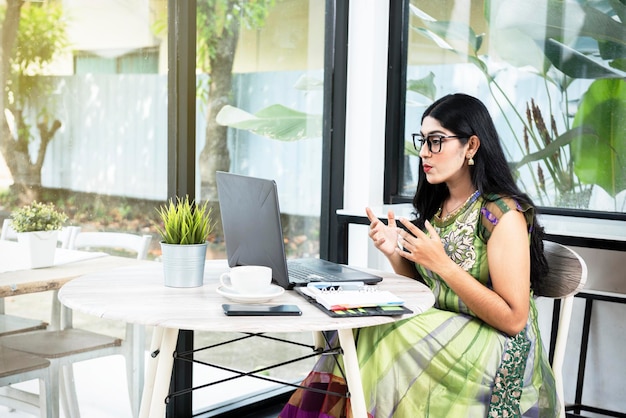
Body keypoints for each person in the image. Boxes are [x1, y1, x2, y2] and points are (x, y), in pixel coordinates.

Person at [279, 93, 558, 417]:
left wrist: (444, 264)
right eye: (423, 140)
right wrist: (395, 254)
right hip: (443, 329)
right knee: (363, 324)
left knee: (385, 332)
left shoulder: (501, 214)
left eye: (436, 141)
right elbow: (431, 292)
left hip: (498, 349)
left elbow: (513, 320)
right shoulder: (437, 208)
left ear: (471, 147)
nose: (424, 152)